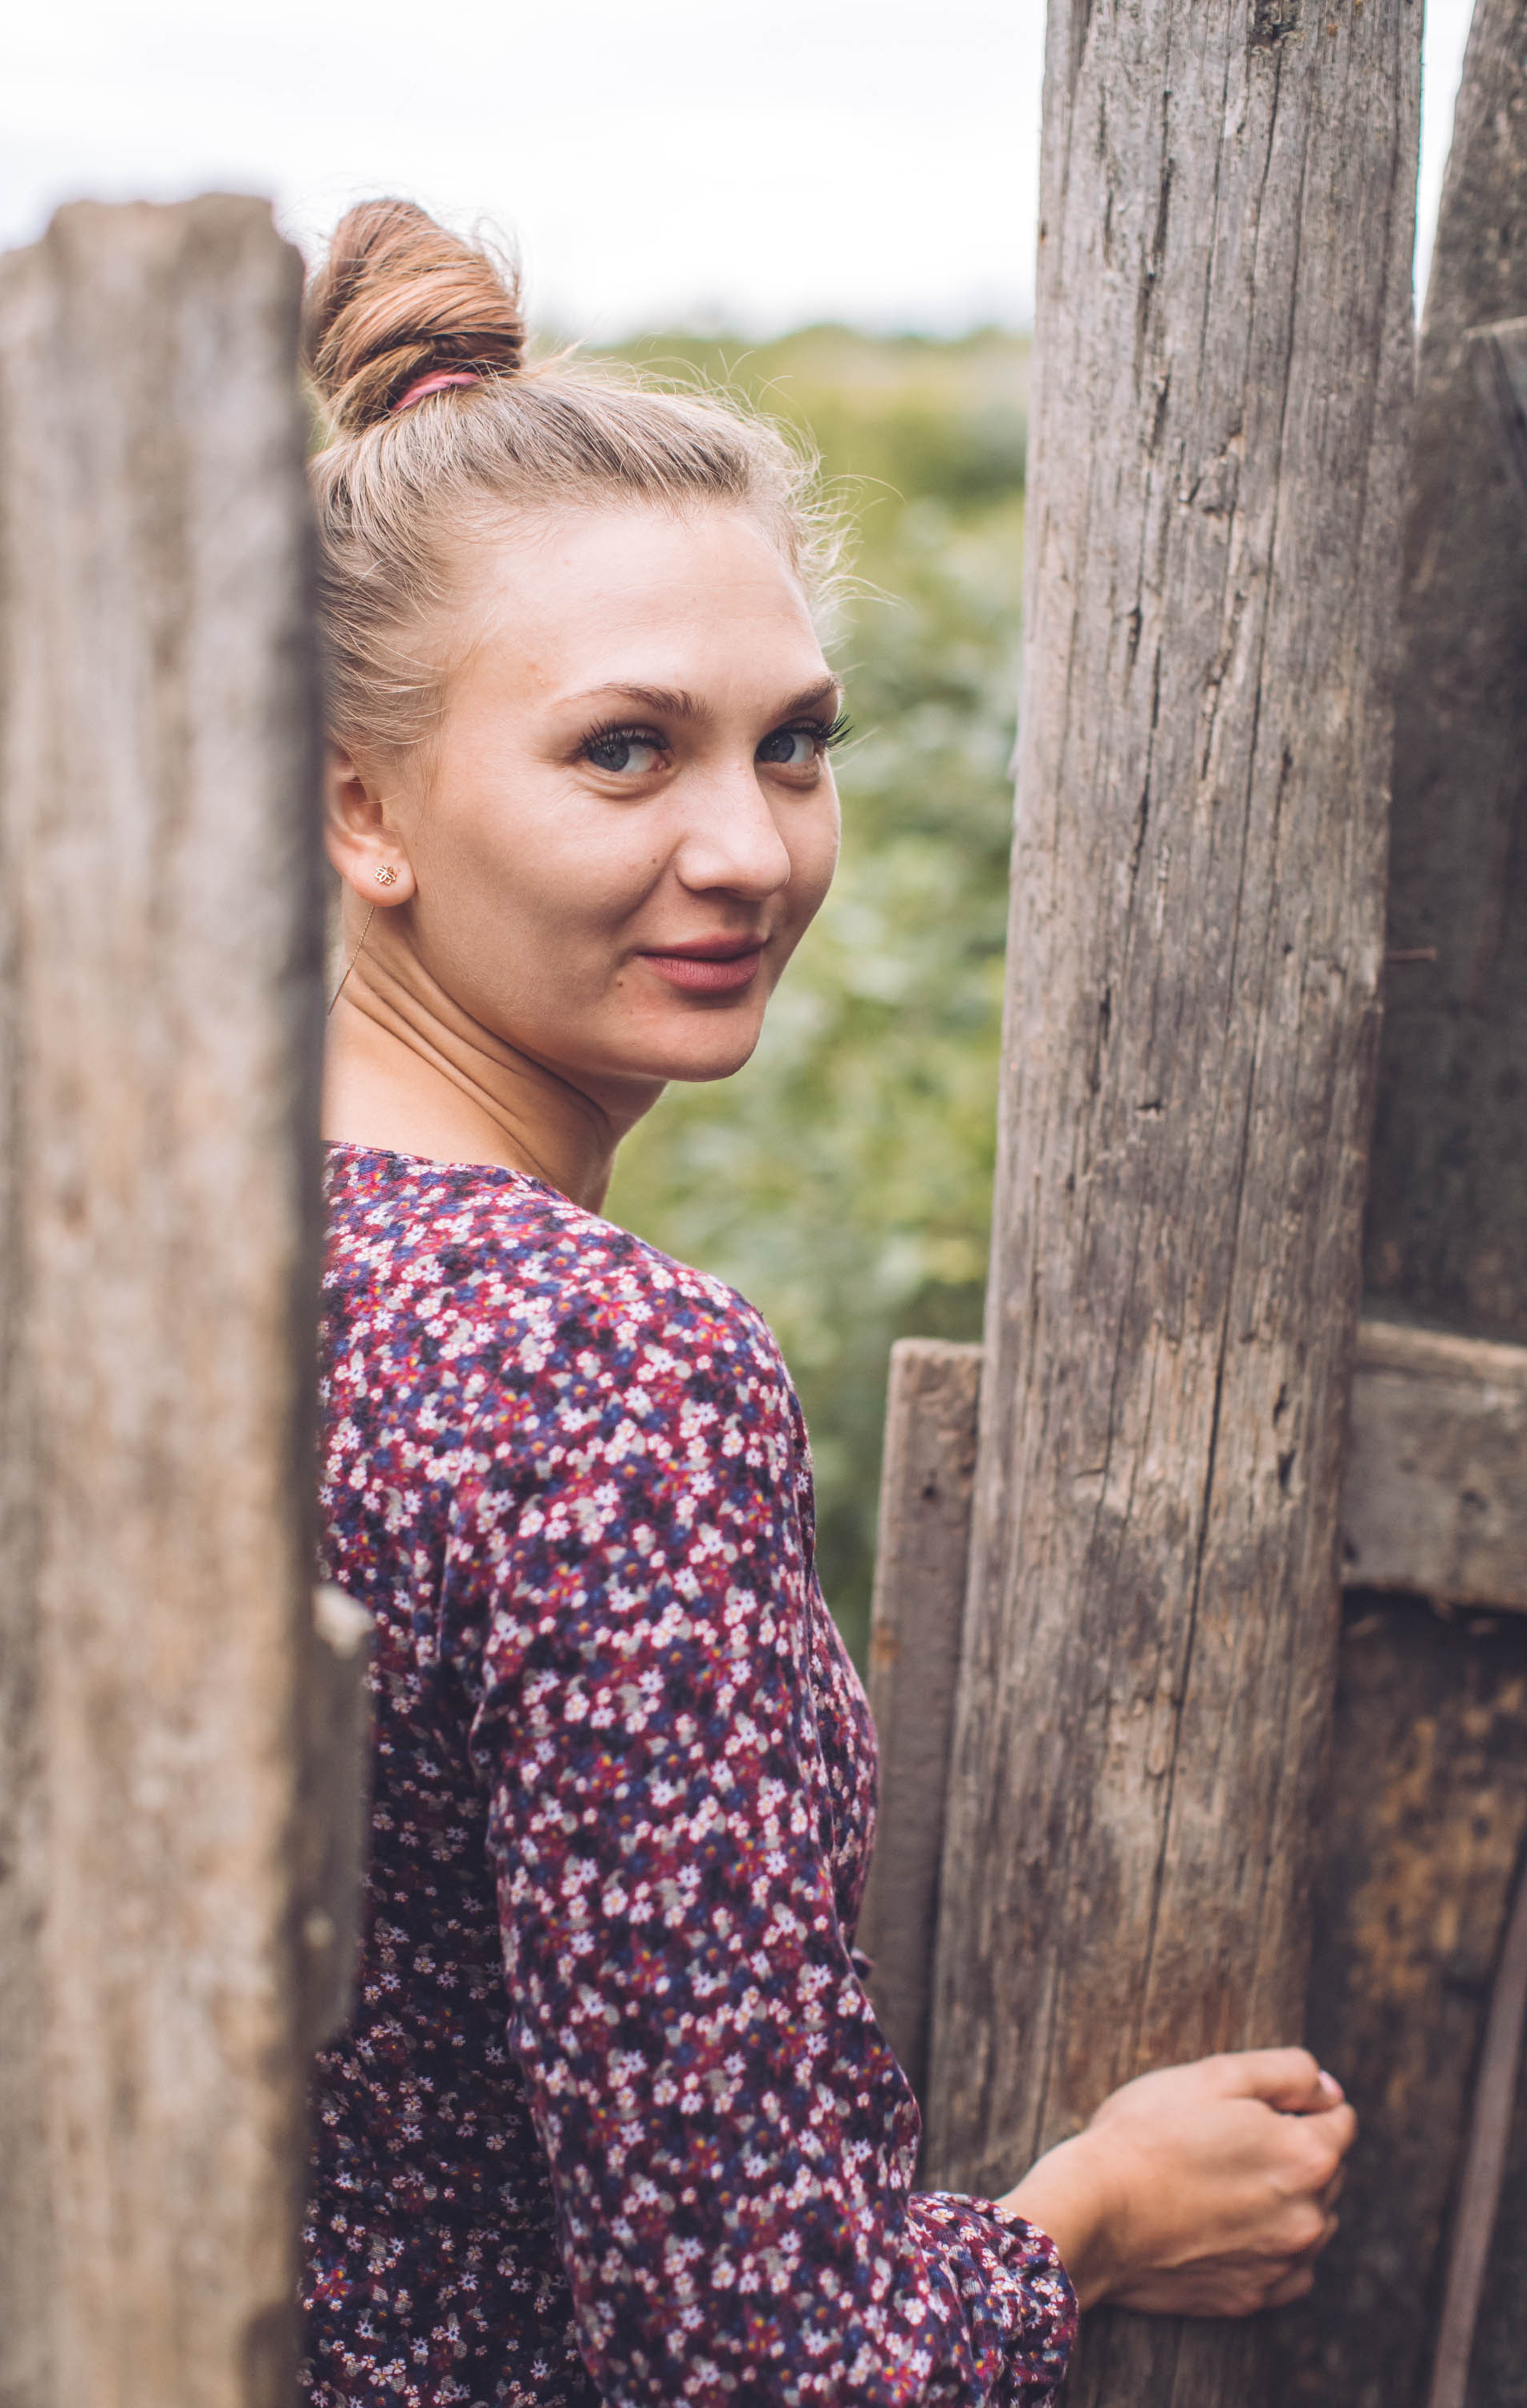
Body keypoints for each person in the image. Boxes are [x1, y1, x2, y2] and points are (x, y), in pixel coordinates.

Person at [301, 199, 1356, 2408]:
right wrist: (1098, 2212)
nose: (754, 848)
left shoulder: (207, 1266)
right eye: (625, 751)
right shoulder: (597, 1371)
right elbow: (766, 2356)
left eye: (794, 742)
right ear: (360, 807)